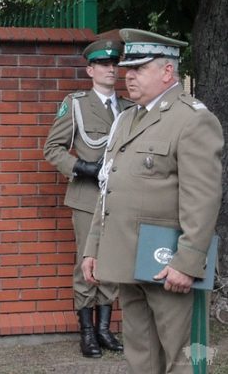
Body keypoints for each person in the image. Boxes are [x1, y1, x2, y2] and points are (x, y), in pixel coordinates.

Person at [81, 29, 223, 373]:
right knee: (141, 355)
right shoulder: (129, 118)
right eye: (127, 68)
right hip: (129, 260)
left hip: (168, 264)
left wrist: (188, 262)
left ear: (167, 72)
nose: (128, 76)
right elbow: (109, 189)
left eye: (139, 69)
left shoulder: (192, 119)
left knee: (184, 358)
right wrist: (93, 247)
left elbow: (202, 198)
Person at [44, 39, 133, 358]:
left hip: (119, 199)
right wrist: (83, 167)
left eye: (114, 64)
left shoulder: (128, 107)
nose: (111, 69)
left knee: (112, 262)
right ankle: (86, 333)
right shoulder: (77, 103)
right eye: (104, 65)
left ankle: (104, 329)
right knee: (87, 263)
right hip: (87, 197)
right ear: (90, 70)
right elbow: (52, 149)